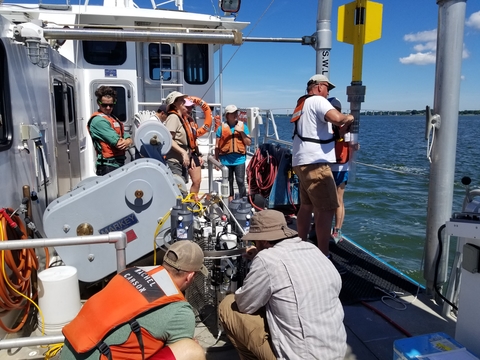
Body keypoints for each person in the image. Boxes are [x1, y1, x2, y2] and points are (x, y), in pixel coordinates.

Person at [218, 210, 346, 360]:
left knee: (228, 306)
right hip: (336, 352)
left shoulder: (267, 259)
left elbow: (245, 304)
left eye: (255, 241)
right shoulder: (314, 250)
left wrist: (260, 259)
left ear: (264, 241)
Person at [60, 240, 207, 360]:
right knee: (192, 350)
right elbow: (179, 351)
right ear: (190, 276)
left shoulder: (131, 272)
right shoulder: (180, 311)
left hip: (71, 351)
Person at [291, 74, 354, 256]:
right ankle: (323, 256)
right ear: (319, 87)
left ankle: (301, 245)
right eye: (327, 88)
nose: (328, 93)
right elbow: (338, 118)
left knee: (306, 206)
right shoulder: (318, 101)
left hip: (301, 161)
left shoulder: (302, 104)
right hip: (316, 164)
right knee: (326, 209)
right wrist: (349, 117)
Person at [87, 86, 133, 175]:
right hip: (108, 167)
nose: (108, 108)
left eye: (111, 105)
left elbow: (126, 135)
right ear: (98, 103)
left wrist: (128, 140)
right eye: (104, 105)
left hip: (117, 164)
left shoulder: (113, 118)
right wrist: (127, 141)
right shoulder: (98, 121)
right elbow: (118, 143)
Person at [328, 97, 353, 244]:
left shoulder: (344, 125)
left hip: (340, 166)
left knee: (338, 199)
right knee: (324, 199)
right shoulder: (324, 125)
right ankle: (321, 226)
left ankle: (337, 229)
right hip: (326, 165)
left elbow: (352, 143)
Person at [215, 105, 251, 200]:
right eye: (232, 113)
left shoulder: (243, 127)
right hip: (225, 160)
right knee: (228, 181)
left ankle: (243, 201)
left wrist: (241, 132)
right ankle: (230, 202)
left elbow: (248, 143)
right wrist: (216, 160)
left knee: (240, 181)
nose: (235, 115)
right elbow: (217, 146)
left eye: (236, 112)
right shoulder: (221, 128)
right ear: (227, 115)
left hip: (239, 160)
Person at [164, 91, 196, 185]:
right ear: (174, 103)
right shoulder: (173, 117)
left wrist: (189, 156)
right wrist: (183, 152)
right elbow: (169, 139)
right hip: (174, 161)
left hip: (181, 161)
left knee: (181, 188)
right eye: (180, 100)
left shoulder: (181, 118)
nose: (184, 101)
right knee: (179, 190)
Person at [183, 98, 204, 198]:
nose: (189, 109)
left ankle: (193, 203)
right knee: (180, 183)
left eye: (190, 107)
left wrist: (198, 154)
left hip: (193, 153)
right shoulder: (178, 120)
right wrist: (189, 155)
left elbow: (194, 140)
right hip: (182, 154)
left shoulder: (191, 121)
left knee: (197, 181)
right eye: (187, 107)